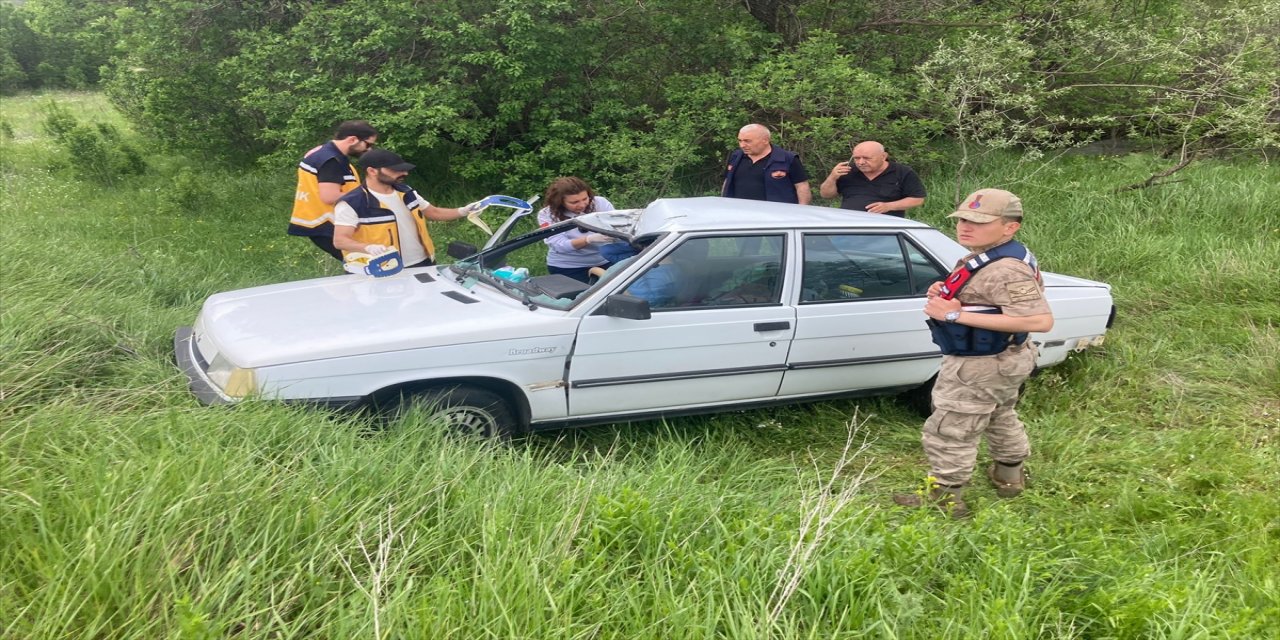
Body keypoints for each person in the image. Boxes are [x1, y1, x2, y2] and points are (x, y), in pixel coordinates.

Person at [892, 189, 1054, 518]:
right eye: (963, 219)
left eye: (979, 221)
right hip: (1004, 357)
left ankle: (946, 497)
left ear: (1010, 227)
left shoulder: (1006, 268)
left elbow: (1040, 320)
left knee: (951, 425)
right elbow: (987, 297)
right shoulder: (986, 255)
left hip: (982, 363)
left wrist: (954, 315)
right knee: (998, 414)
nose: (966, 227)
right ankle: (1008, 476)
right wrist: (945, 291)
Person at [331, 149, 483, 268]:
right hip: (381, 269)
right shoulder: (352, 203)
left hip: (422, 263)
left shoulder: (406, 192)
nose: (404, 173)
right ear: (372, 171)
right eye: (395, 170)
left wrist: (463, 211)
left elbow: (433, 212)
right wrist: (367, 247)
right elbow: (341, 240)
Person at [289, 120, 380, 261]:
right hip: (327, 223)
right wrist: (370, 197)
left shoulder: (322, 151)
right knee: (362, 263)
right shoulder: (331, 160)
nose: (369, 150)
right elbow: (330, 196)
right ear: (352, 139)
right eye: (368, 144)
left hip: (320, 222)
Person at [537, 177, 617, 282]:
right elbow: (558, 245)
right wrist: (588, 240)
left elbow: (617, 225)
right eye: (574, 202)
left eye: (585, 199)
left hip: (605, 259)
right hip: (569, 267)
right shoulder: (546, 214)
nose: (582, 205)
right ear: (560, 202)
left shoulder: (600, 203)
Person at [819, 141, 926, 217]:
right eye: (857, 158)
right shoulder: (847, 171)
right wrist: (832, 177)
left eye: (867, 158)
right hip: (848, 225)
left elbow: (918, 199)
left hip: (886, 228)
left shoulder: (902, 172)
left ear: (883, 156)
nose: (861, 162)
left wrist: (888, 206)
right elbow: (826, 195)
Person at [721, 124, 812, 205]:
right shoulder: (736, 157)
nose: (742, 145)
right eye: (740, 141)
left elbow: (802, 186)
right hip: (739, 213)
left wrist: (801, 212)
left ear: (765, 140)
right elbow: (727, 182)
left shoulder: (788, 159)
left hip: (776, 216)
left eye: (747, 141)